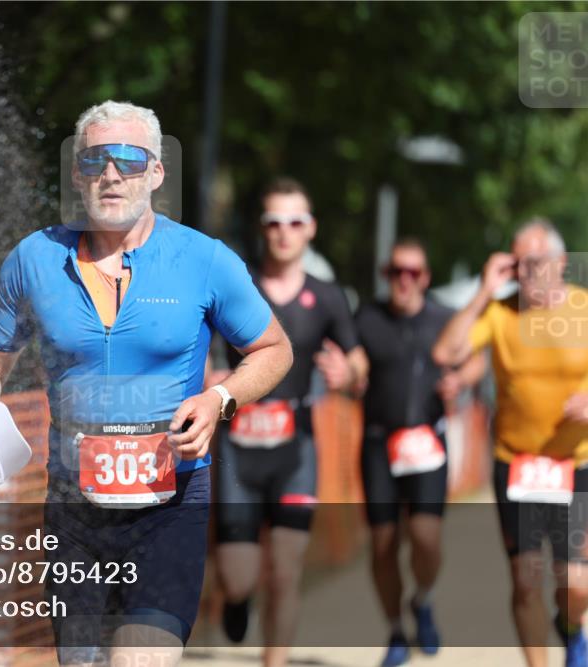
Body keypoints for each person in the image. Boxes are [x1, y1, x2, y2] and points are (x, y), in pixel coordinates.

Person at [0, 100, 293, 666]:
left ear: (156, 173)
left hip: (169, 504)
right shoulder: (34, 260)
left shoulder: (204, 260)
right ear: (78, 173)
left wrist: (219, 399)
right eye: (94, 160)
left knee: (138, 658)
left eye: (129, 159)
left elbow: (273, 349)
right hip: (73, 511)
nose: (111, 174)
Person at [213, 177, 368, 667]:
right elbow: (203, 352)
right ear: (263, 228)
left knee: (286, 569)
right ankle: (236, 598)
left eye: (295, 222)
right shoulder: (239, 286)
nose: (284, 232)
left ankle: (273, 661)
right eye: (274, 222)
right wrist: (212, 376)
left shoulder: (326, 297)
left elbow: (359, 363)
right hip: (238, 448)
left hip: (296, 449)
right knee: (240, 575)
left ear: (310, 229)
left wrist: (349, 374)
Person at [433, 218, 588, 667]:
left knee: (575, 582)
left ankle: (572, 625)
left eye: (534, 263)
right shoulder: (500, 314)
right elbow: (446, 353)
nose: (524, 273)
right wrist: (483, 292)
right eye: (517, 264)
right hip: (516, 463)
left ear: (560, 263)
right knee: (525, 580)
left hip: (575, 462)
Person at [356, 238, 486, 666]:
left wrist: (461, 379)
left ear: (426, 278)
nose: (404, 280)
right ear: (386, 274)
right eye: (397, 271)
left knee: (426, 537)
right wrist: (347, 376)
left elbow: (477, 357)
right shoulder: (368, 318)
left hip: (429, 440)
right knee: (383, 544)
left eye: (413, 273)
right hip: (379, 442)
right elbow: (351, 365)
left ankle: (423, 599)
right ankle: (395, 631)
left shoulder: (444, 319)